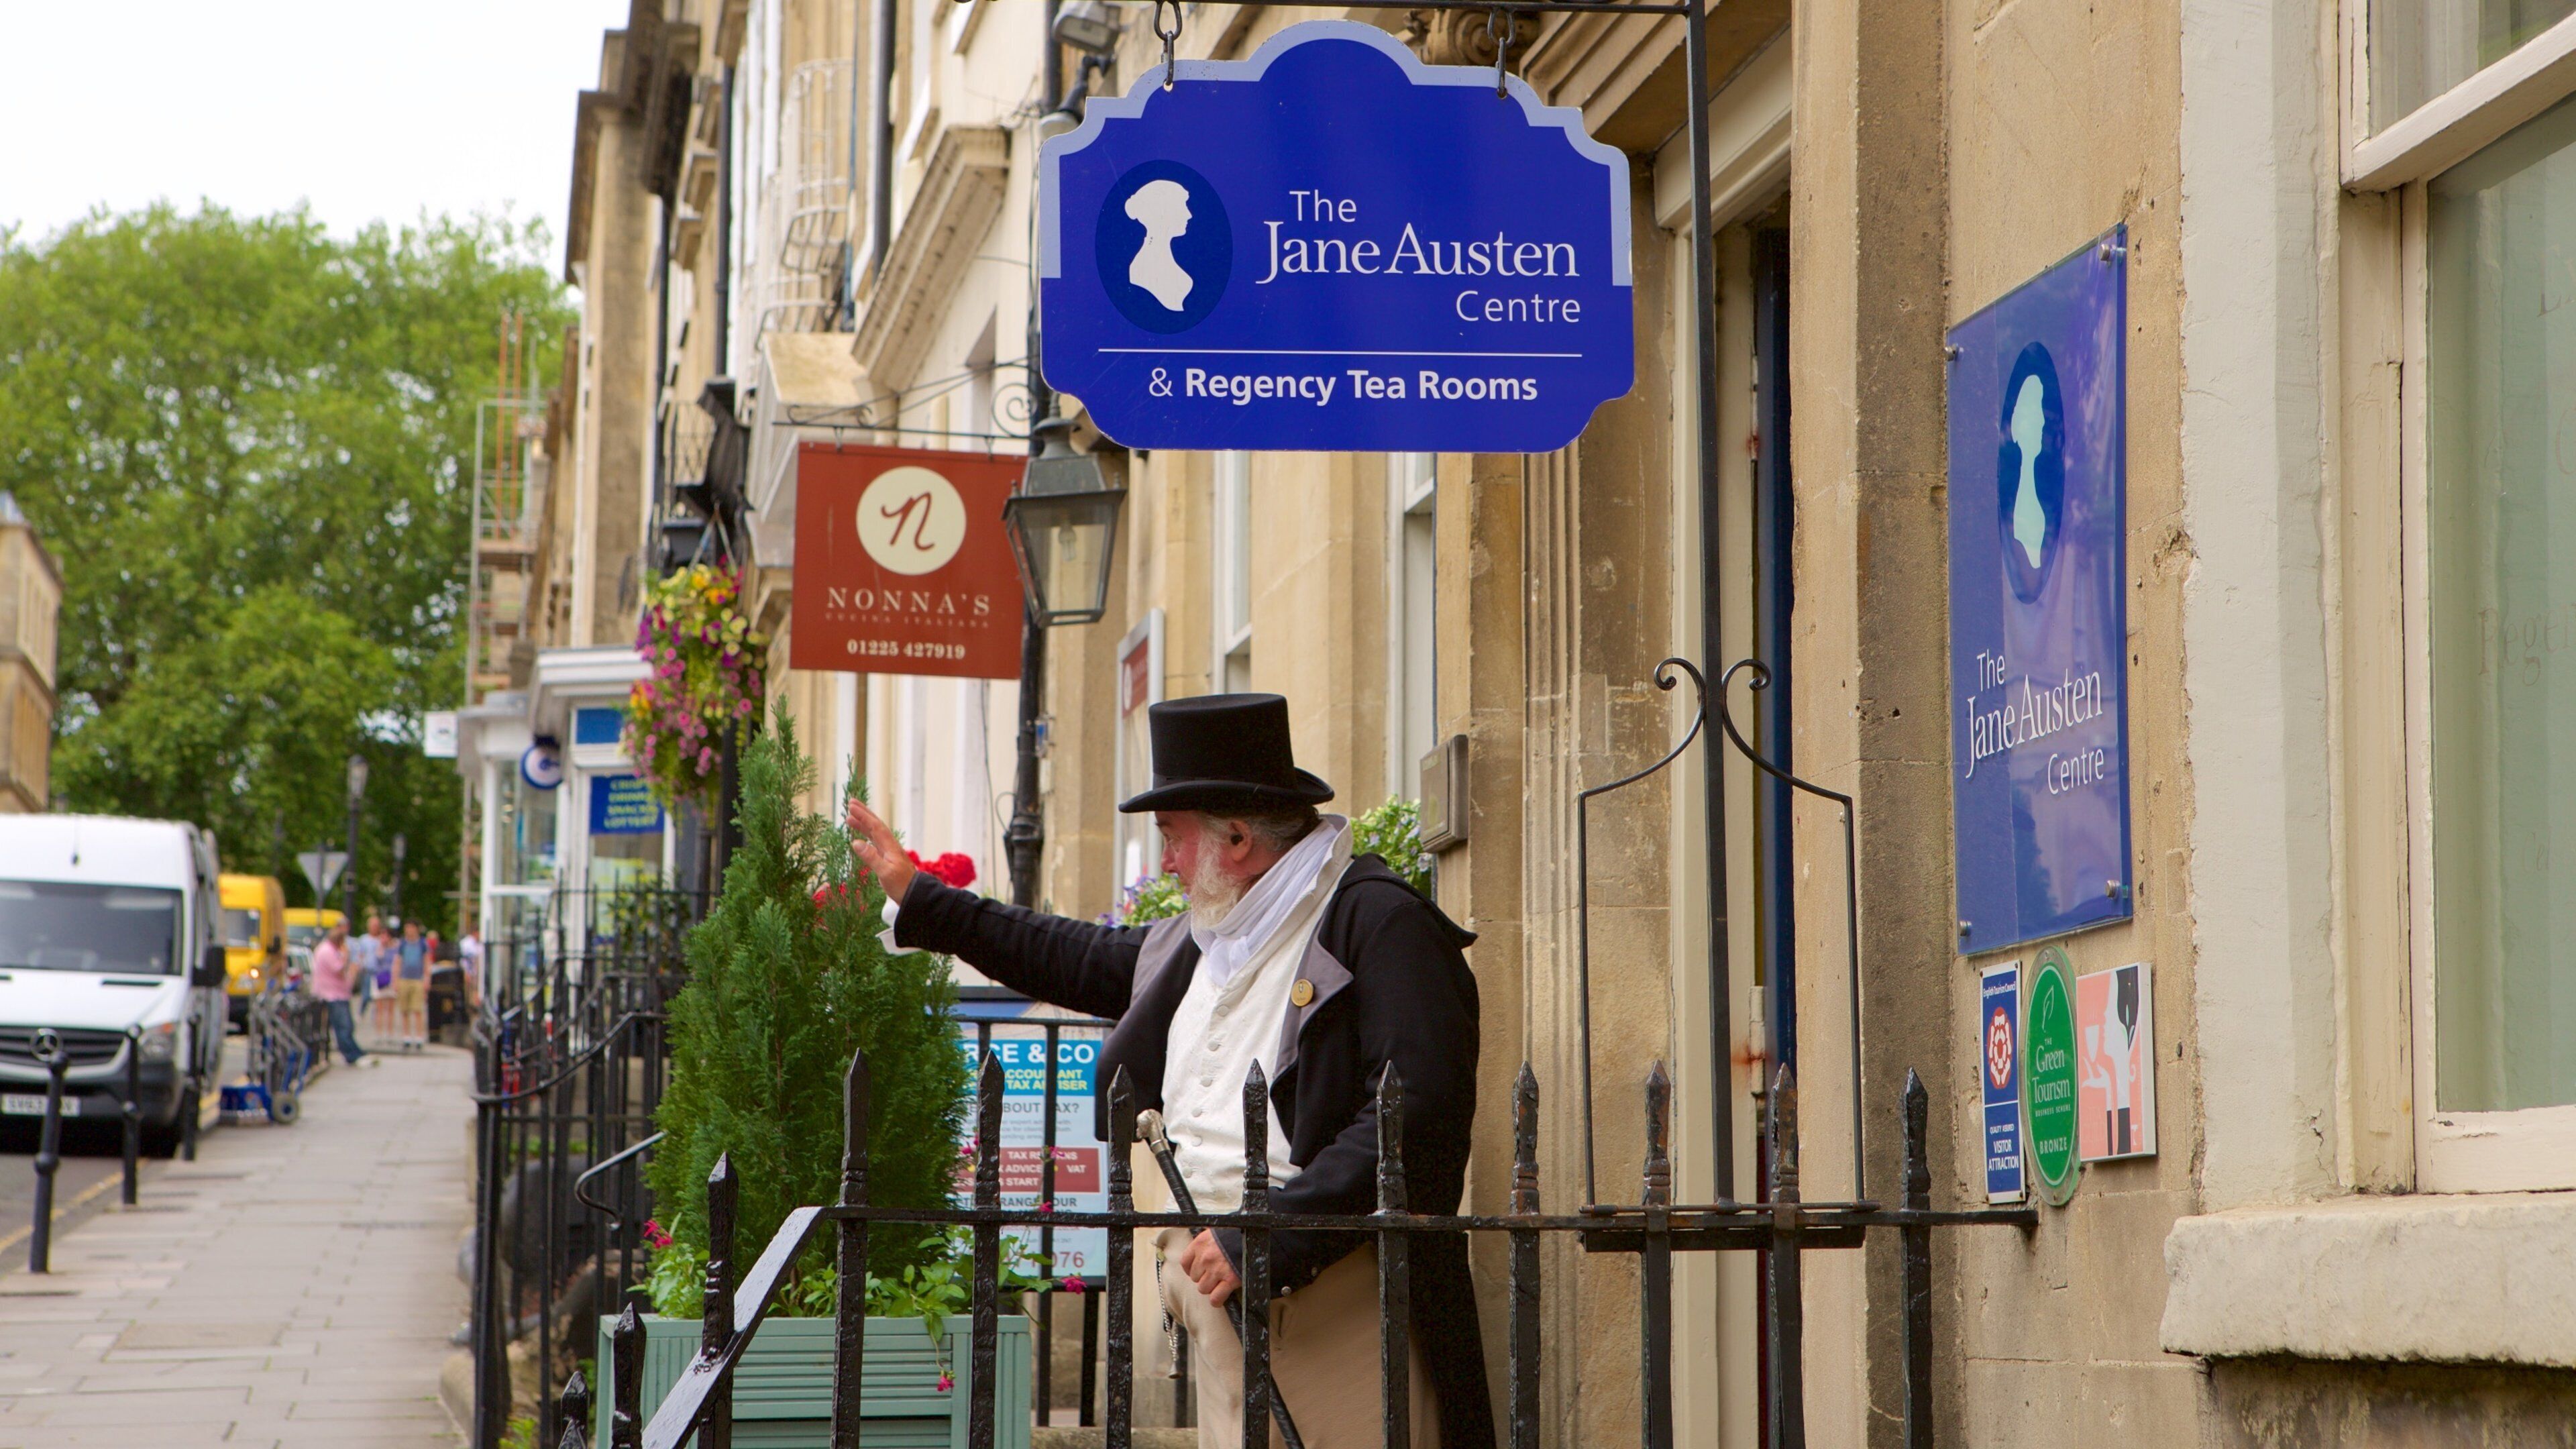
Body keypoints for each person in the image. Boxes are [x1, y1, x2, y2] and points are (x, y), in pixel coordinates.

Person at [849, 693, 1490, 1449]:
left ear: (1240, 838)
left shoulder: (1380, 923)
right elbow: (1073, 955)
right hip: (1224, 1306)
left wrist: (1267, 1237)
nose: (1168, 863)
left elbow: (1417, 1112)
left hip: (1334, 1307)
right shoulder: (1211, 935)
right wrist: (928, 903)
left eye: (1172, 837)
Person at [309, 922, 377, 1069]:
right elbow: (338, 969)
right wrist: (346, 957)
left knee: (346, 1025)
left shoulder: (330, 949)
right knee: (343, 1026)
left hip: (338, 993)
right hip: (333, 995)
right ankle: (351, 1055)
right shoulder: (327, 951)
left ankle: (355, 1052)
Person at [393, 919, 430, 1051]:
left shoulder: (422, 944)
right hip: (404, 978)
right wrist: (395, 979)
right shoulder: (402, 944)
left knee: (417, 1009)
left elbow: (427, 961)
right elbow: (398, 961)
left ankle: (419, 1036)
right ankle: (406, 1036)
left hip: (417, 979)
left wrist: (427, 978)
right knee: (405, 1009)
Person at [351, 915, 386, 1043]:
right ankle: (361, 1013)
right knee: (366, 995)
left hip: (380, 972)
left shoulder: (382, 939)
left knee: (378, 998)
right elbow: (360, 954)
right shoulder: (364, 940)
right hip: (368, 971)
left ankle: (376, 1021)